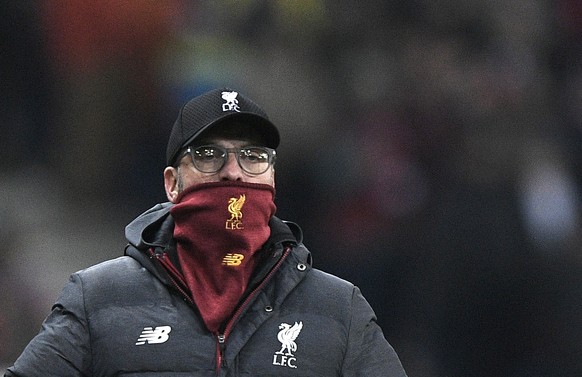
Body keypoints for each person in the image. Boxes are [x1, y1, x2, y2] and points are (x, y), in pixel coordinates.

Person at [5, 88, 408, 376]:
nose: (233, 171)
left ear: (272, 178)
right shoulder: (98, 299)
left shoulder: (338, 309)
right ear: (172, 183)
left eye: (253, 157)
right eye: (208, 154)